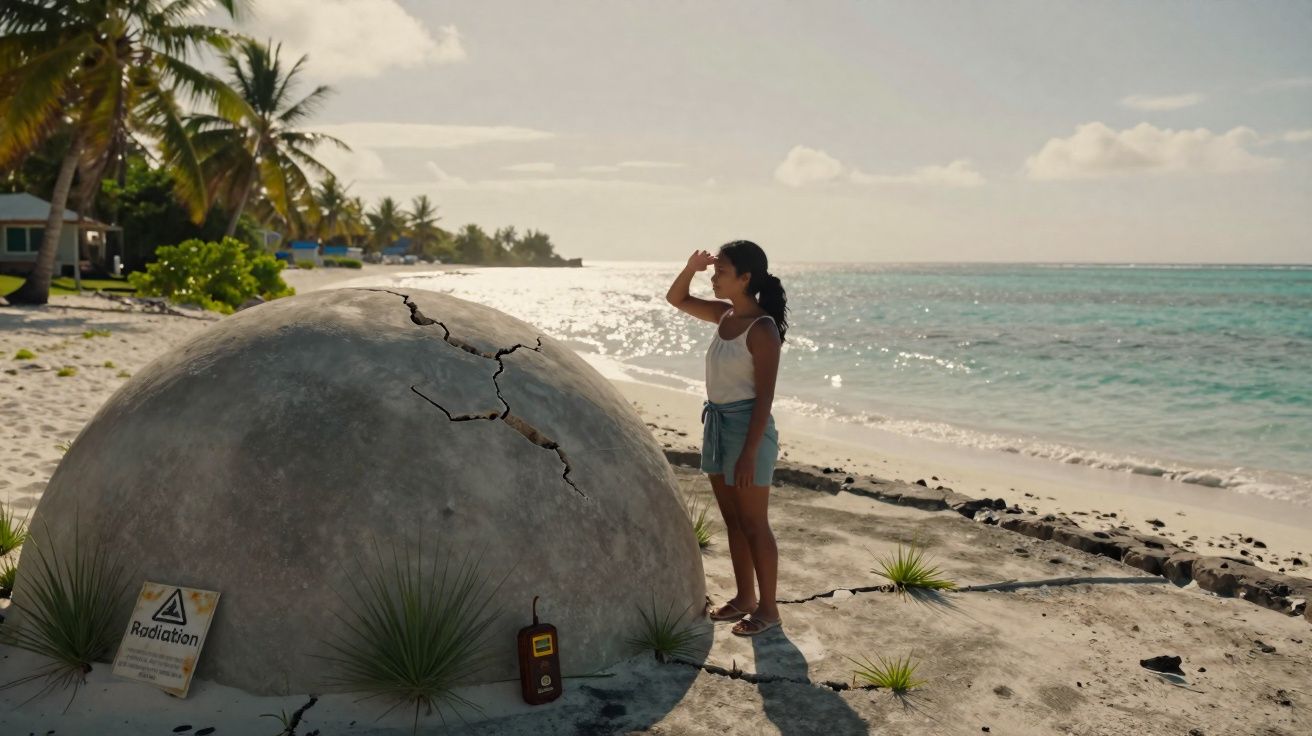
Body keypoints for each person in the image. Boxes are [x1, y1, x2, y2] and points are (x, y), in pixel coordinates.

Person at [665, 240, 789, 637]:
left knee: (755, 524)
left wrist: (750, 453)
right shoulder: (723, 315)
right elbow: (677, 297)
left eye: (722, 273)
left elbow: (764, 399)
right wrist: (692, 267)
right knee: (734, 520)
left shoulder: (763, 329)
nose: (715, 279)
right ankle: (744, 598)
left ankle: (769, 610)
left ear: (746, 278)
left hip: (747, 430)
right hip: (717, 425)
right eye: (715, 273)